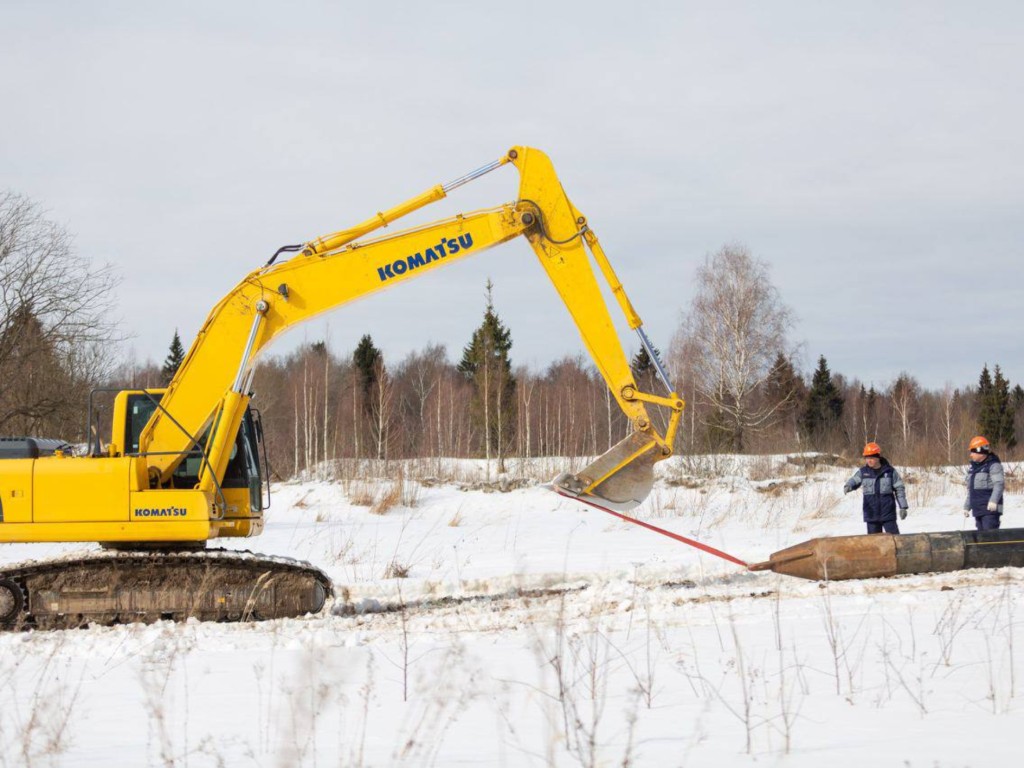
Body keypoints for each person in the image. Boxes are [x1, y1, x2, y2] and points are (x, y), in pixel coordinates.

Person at [844, 442, 909, 534]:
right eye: (866, 458)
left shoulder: (890, 471)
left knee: (894, 541)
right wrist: (849, 485)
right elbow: (855, 479)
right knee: (874, 544)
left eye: (871, 458)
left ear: (877, 457)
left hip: (888, 515)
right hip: (871, 516)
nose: (868, 461)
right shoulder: (863, 472)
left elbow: (899, 488)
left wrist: (903, 506)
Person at [964, 435, 1004, 531]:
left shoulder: (994, 466)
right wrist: (967, 506)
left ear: (979, 451)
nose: (971, 455)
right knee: (981, 540)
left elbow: (999, 484)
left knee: (990, 539)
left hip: (990, 511)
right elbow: (971, 490)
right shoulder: (973, 469)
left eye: (972, 451)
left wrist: (993, 501)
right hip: (978, 510)